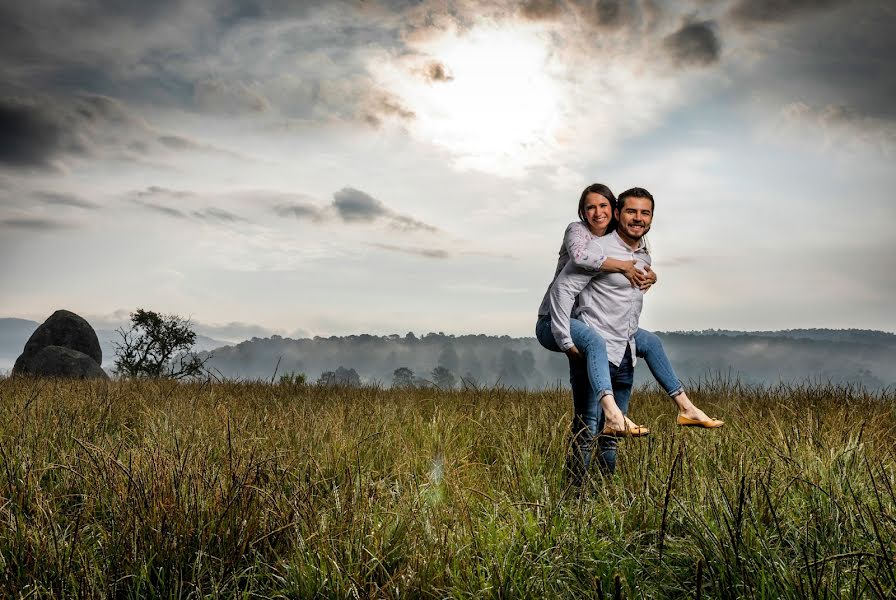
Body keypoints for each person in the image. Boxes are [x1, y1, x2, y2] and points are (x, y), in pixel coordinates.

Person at [535, 186, 723, 476]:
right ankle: (574, 500)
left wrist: (650, 278)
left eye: (645, 213)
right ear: (619, 214)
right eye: (631, 211)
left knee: (611, 437)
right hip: (591, 342)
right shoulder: (595, 249)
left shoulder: (644, 256)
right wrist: (567, 340)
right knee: (587, 428)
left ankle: (607, 495)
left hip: (623, 348)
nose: (638, 218)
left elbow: (626, 301)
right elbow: (562, 290)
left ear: (651, 218)